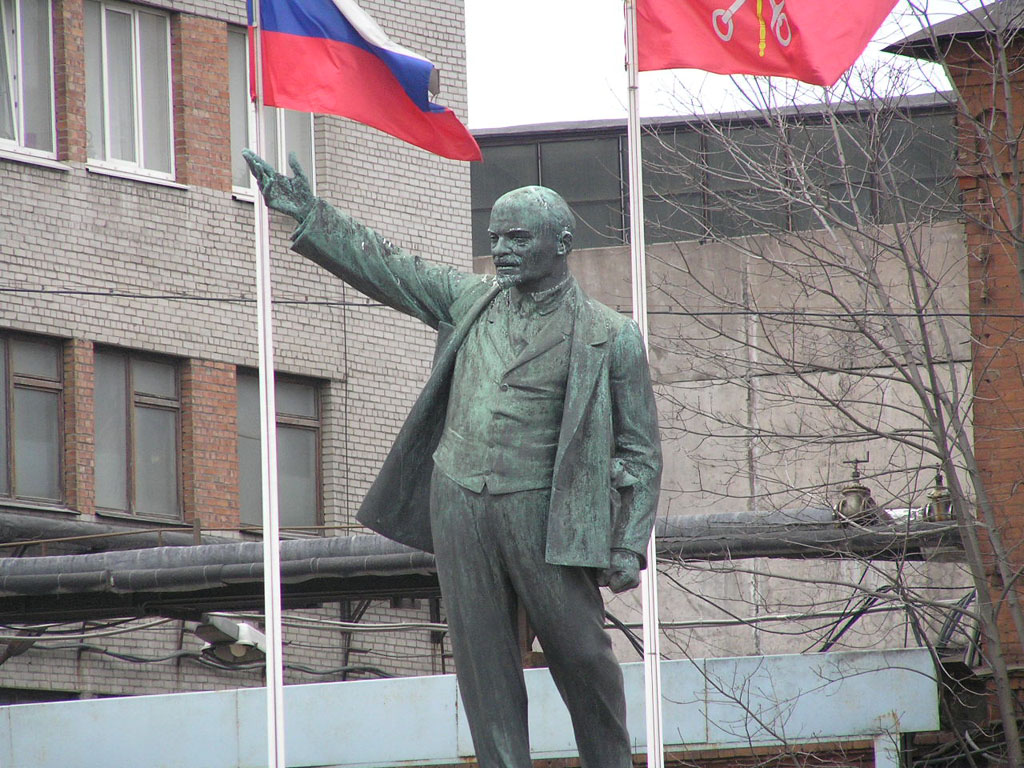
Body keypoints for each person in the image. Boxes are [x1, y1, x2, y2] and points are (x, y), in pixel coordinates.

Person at [244, 150, 662, 768]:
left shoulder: (611, 335)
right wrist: (312, 214)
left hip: (548, 515)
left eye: (518, 239)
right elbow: (391, 267)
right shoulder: (471, 299)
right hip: (460, 500)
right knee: (482, 665)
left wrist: (628, 545)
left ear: (561, 243)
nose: (503, 250)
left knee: (583, 656)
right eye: (495, 239)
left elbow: (641, 452)